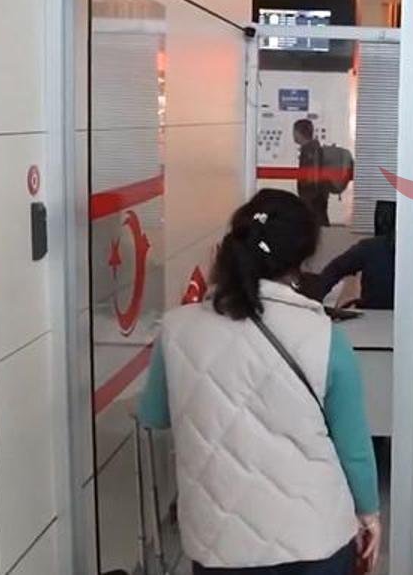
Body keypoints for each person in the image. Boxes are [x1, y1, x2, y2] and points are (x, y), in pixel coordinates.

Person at [138, 189, 381, 575]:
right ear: (302, 259)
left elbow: (154, 414)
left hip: (218, 543)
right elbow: (354, 448)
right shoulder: (323, 335)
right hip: (312, 538)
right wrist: (369, 513)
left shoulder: (176, 328)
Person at [294, 118, 331, 226]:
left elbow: (313, 173)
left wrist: (310, 196)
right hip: (315, 194)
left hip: (312, 195)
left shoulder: (310, 151)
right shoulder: (312, 148)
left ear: (298, 132)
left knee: (316, 223)